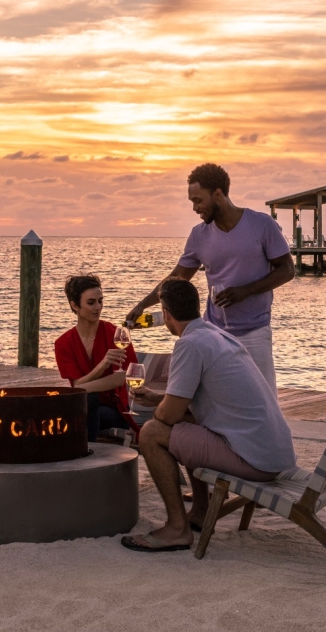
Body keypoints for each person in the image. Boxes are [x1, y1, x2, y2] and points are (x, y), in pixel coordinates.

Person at [122, 279, 298, 552]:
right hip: (274, 451)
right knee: (188, 425)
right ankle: (201, 512)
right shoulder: (217, 335)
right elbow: (199, 401)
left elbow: (168, 417)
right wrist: (160, 398)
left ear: (166, 314)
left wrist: (159, 409)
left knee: (152, 433)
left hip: (256, 461)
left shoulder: (190, 344)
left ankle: (178, 529)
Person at [126, 162, 294, 392]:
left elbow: (287, 270)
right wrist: (143, 304)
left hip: (254, 331)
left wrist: (245, 291)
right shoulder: (198, 235)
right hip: (213, 331)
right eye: (191, 202)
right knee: (211, 398)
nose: (195, 208)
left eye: (198, 200)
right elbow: (177, 278)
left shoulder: (261, 224)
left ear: (217, 194)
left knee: (263, 396)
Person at [54, 275, 137, 440]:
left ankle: (84, 454)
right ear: (75, 305)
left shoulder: (116, 335)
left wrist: (82, 389)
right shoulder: (64, 343)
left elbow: (120, 378)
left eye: (100, 301)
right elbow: (76, 384)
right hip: (84, 406)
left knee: (85, 403)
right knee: (83, 404)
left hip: (116, 410)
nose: (98, 307)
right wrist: (103, 365)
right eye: (91, 302)